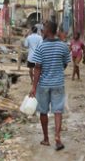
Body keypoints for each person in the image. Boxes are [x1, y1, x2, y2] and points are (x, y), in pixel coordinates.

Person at [29, 20, 71, 150]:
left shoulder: (41, 47)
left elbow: (37, 68)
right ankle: (57, 137)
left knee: (43, 111)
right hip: (58, 83)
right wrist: (57, 69)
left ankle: (46, 138)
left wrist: (34, 87)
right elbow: (65, 63)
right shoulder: (63, 46)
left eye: (44, 29)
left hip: (44, 85)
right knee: (58, 111)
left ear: (48, 31)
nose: (43, 31)